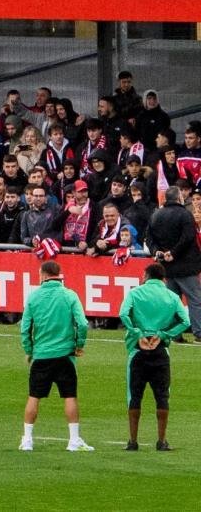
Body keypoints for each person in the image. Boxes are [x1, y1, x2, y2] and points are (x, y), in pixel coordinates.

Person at [18, 260, 91, 451]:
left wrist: (28, 350)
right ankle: (74, 441)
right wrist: (78, 344)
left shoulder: (33, 297)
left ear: (43, 274)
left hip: (41, 355)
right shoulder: (69, 295)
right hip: (65, 355)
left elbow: (25, 328)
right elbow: (82, 324)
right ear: (58, 274)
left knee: (34, 396)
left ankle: (27, 440)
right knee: (69, 396)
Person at [118, 261, 190, 451]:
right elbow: (185, 321)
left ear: (146, 276)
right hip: (160, 350)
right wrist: (164, 335)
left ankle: (133, 441)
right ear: (164, 279)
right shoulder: (172, 297)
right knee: (162, 396)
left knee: (134, 396)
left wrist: (137, 333)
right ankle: (161, 441)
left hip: (138, 350)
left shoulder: (135, 293)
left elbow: (123, 314)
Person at [145, 186, 201, 343]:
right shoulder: (185, 214)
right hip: (186, 266)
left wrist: (157, 252)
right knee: (195, 300)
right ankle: (199, 333)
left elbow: (149, 238)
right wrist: (173, 252)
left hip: (166, 268)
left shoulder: (156, 215)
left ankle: (174, 334)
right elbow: (188, 237)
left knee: (172, 302)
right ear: (179, 198)